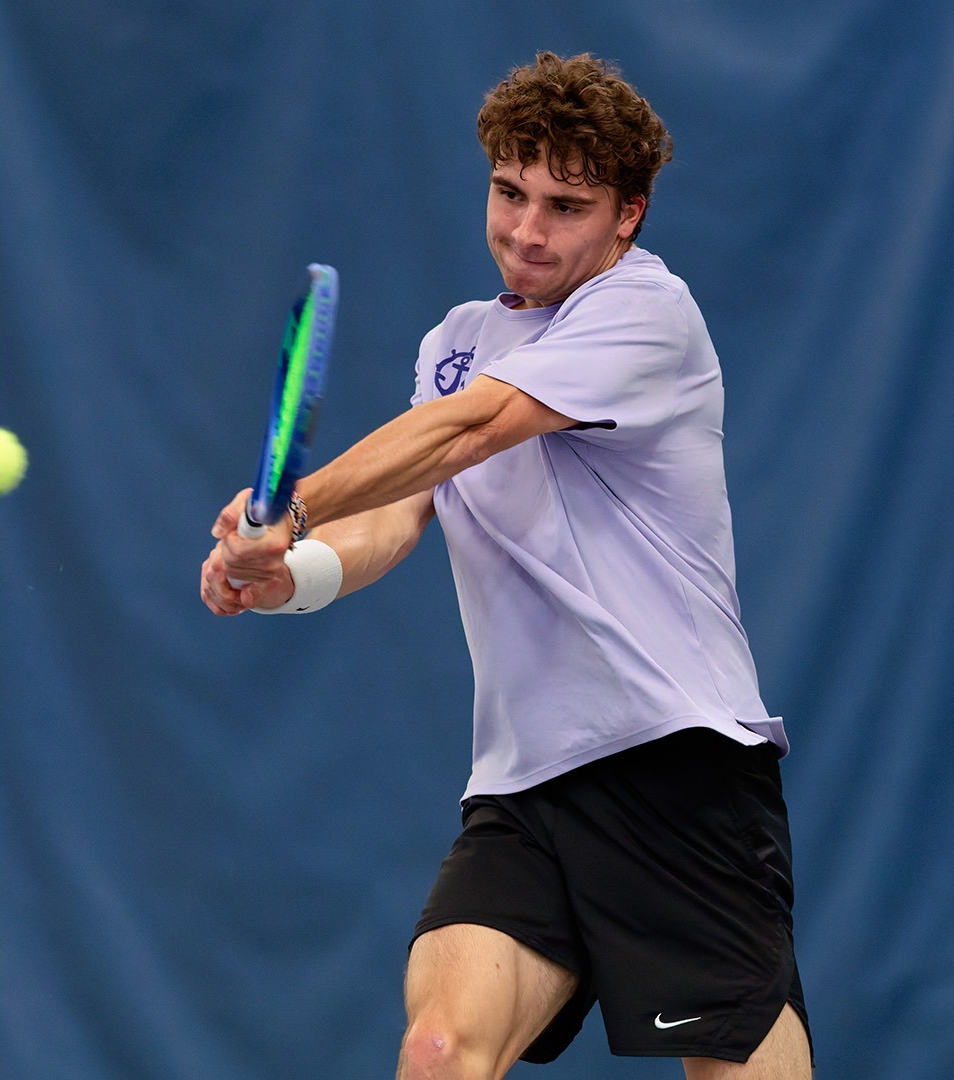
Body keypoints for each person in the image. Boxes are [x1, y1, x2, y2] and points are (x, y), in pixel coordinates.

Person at [201, 52, 809, 1078]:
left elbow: (470, 430)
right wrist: (289, 572)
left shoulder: (647, 314)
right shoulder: (456, 339)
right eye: (508, 191)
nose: (525, 230)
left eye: (565, 206)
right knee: (439, 1050)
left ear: (629, 213)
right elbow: (397, 520)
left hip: (673, 763)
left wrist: (294, 505)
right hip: (522, 784)